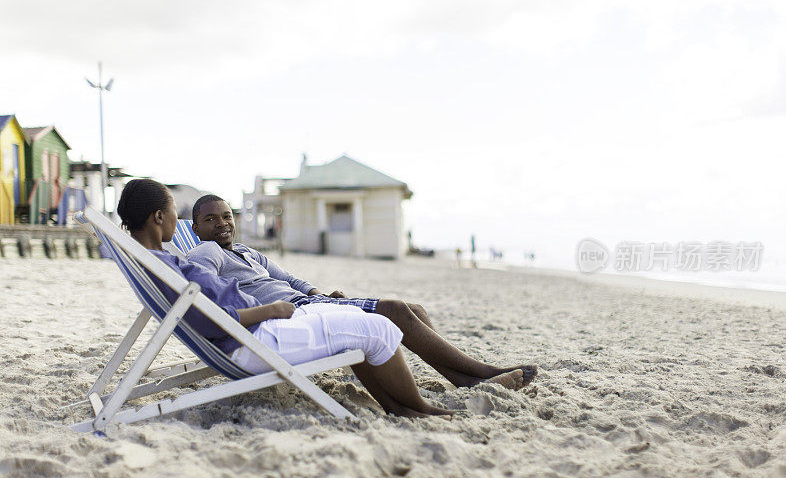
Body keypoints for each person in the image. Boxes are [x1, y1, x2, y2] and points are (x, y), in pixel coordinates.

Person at [116, 178, 458, 419]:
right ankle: (420, 409)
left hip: (255, 330)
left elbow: (206, 307)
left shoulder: (159, 261)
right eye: (177, 211)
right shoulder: (172, 262)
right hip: (254, 337)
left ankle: (402, 406)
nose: (181, 219)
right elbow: (209, 315)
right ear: (159, 217)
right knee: (380, 327)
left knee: (367, 326)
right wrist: (272, 309)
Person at [186, 195, 536, 389]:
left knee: (414, 310)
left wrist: (322, 294)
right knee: (396, 309)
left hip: (310, 302)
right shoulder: (205, 253)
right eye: (211, 219)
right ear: (196, 227)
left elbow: (290, 279)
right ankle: (481, 373)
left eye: (226, 216)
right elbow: (207, 292)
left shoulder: (247, 252)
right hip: (291, 317)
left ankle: (461, 378)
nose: (222, 223)